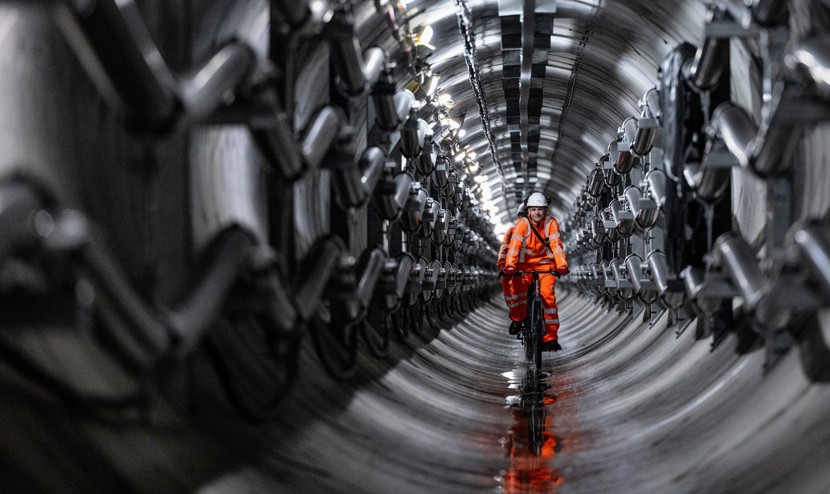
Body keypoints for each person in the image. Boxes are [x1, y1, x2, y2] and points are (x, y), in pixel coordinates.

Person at [502, 192, 569, 351]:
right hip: (523, 266)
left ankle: (550, 338)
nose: (537, 213)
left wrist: (562, 265)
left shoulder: (551, 223)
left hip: (546, 266)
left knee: (548, 298)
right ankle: (518, 318)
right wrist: (510, 265)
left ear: (546, 210)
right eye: (533, 209)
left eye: (540, 209)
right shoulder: (522, 224)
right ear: (529, 210)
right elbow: (514, 247)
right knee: (518, 291)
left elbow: (556, 246)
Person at [497, 203, 528, 331]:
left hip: (534, 269)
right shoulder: (511, 232)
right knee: (508, 284)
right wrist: (503, 267)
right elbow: (504, 250)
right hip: (516, 270)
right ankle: (516, 317)